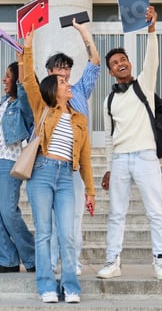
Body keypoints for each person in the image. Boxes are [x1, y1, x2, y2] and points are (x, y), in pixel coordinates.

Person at [98, 6, 162, 281]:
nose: (121, 63)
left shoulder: (144, 84)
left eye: (123, 59)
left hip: (145, 156)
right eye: (115, 62)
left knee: (156, 210)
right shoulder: (109, 100)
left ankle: (161, 260)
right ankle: (112, 260)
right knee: (117, 214)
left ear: (129, 63)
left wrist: (151, 29)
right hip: (120, 159)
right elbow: (108, 137)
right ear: (110, 72)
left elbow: (151, 59)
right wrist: (108, 167)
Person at [22, 28, 96, 304]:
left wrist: (90, 190)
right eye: (62, 82)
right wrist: (28, 44)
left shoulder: (80, 119)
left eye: (67, 81)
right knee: (44, 233)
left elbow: (86, 157)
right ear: (55, 89)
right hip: (41, 173)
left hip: (66, 176)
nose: (67, 83)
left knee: (66, 233)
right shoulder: (43, 109)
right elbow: (29, 79)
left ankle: (71, 286)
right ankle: (46, 286)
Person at [46, 19, 101, 276]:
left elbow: (95, 63)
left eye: (67, 68)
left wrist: (83, 32)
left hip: (74, 164)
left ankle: (72, 260)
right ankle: (51, 260)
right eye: (58, 68)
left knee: (74, 217)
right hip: (48, 165)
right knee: (52, 219)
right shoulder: (43, 97)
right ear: (49, 72)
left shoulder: (79, 90)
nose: (64, 72)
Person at [0, 57, 36, 274]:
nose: (4, 79)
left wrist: (23, 62)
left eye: (8, 75)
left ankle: (33, 256)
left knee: (7, 211)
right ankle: (6, 259)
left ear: (17, 79)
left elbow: (24, 91)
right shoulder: (4, 101)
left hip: (9, 160)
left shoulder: (24, 104)